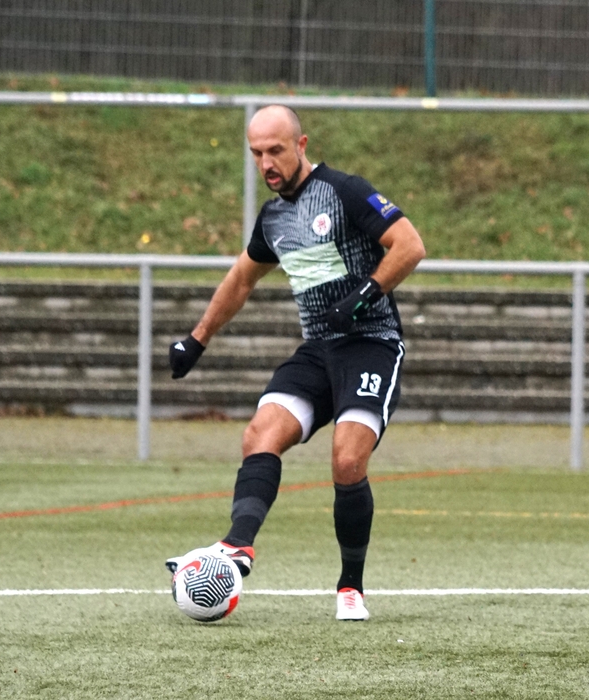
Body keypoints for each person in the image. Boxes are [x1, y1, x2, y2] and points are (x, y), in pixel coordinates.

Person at [165, 105, 426, 620]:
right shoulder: (273, 219)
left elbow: (409, 245)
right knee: (260, 433)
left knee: (347, 460)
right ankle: (238, 546)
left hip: (371, 343)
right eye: (257, 153)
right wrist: (197, 339)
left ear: (301, 145)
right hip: (319, 350)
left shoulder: (344, 192)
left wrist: (363, 297)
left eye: (276, 150)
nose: (266, 163)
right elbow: (241, 279)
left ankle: (350, 587)